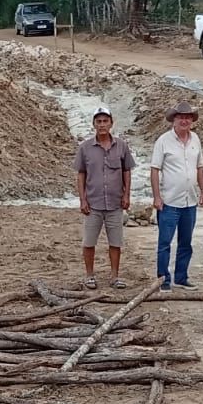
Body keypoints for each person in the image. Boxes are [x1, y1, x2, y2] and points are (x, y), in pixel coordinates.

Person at [73, 106, 135, 289]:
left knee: (115, 242)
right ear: (93, 124)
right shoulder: (85, 148)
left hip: (115, 203)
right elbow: (81, 174)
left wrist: (127, 194)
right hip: (93, 204)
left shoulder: (121, 146)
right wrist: (82, 199)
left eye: (105, 121)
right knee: (89, 241)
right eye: (98, 121)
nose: (102, 125)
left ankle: (115, 276)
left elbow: (127, 171)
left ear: (111, 123)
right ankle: (89, 276)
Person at [150, 102, 203, 291]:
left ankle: (181, 278)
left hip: (189, 201)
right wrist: (157, 197)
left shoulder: (196, 140)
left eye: (188, 117)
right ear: (174, 119)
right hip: (169, 202)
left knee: (186, 242)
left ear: (192, 120)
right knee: (165, 243)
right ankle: (163, 280)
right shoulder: (163, 141)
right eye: (180, 117)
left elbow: (199, 167)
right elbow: (155, 170)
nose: (184, 120)